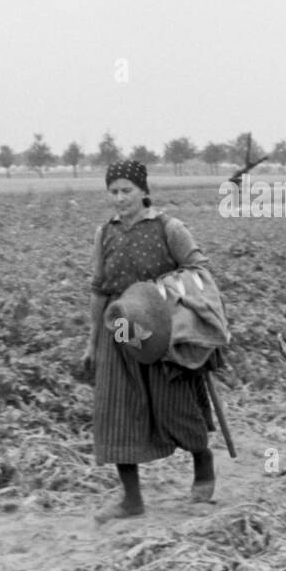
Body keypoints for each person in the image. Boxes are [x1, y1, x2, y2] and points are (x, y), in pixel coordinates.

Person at [81, 160, 217, 523]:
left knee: (171, 400)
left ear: (143, 191)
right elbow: (98, 289)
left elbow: (200, 271)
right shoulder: (104, 233)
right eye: (113, 191)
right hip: (120, 326)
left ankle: (203, 462)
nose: (120, 198)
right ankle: (131, 498)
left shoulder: (168, 227)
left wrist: (160, 293)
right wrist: (93, 341)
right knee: (117, 407)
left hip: (160, 325)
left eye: (127, 190)